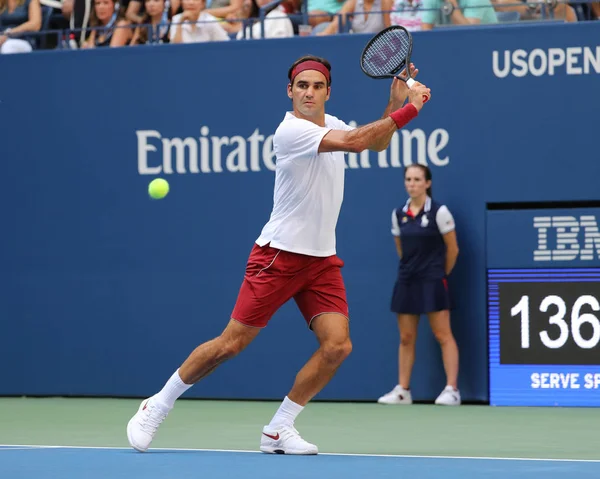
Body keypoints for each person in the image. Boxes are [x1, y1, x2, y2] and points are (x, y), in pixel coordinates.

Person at [126, 56, 431, 455]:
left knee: (337, 346)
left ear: (327, 92)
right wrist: (412, 107)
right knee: (230, 344)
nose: (308, 92)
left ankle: (279, 428)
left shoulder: (334, 123)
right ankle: (158, 403)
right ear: (290, 91)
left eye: (316, 86)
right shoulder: (290, 132)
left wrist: (392, 105)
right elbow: (357, 142)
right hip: (278, 256)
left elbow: (374, 142)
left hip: (321, 261)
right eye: (301, 85)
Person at [377, 164, 461, 406]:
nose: (411, 183)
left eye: (417, 179)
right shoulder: (398, 214)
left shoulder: (440, 212)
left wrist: (439, 273)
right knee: (406, 337)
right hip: (407, 280)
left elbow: (453, 249)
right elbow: (400, 248)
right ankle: (403, 390)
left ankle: (452, 389)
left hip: (433, 280)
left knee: (442, 334)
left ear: (428, 183)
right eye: (408, 179)